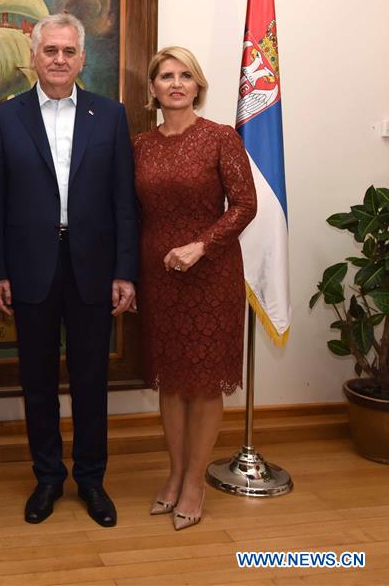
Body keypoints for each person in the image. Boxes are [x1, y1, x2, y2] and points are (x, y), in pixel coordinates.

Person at [0, 13, 138, 529]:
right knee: (38, 380)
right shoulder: (5, 119)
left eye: (68, 52)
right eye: (49, 50)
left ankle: (92, 478)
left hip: (93, 268)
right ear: (33, 56)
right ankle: (48, 476)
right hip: (31, 269)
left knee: (92, 380)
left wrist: (125, 270)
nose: (58, 60)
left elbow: (124, 201)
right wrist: (0, 269)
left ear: (82, 59)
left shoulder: (110, 116)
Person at [133, 46, 256, 530]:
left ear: (198, 86)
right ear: (153, 89)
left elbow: (244, 205)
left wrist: (201, 246)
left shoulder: (221, 138)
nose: (176, 83)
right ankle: (174, 473)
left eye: (186, 75)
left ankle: (195, 482)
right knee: (170, 379)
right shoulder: (139, 144)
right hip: (157, 275)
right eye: (166, 75)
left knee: (204, 384)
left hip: (211, 274)